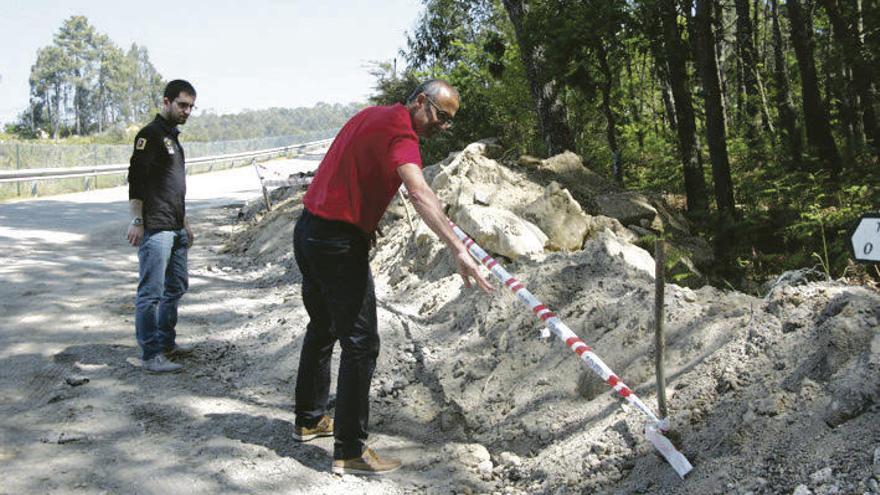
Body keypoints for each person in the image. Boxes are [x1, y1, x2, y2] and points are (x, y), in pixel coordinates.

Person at [291, 79, 494, 475]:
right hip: (337, 243)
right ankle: (349, 451)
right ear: (420, 101)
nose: (444, 126)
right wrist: (457, 247)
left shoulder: (372, 116)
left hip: (309, 231)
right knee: (361, 343)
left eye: (450, 121)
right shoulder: (402, 132)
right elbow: (419, 192)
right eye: (440, 115)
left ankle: (310, 419)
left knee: (323, 326)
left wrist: (364, 216)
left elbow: (348, 167)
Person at [126, 79, 197, 374]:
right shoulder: (149, 135)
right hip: (156, 228)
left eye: (191, 106)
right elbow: (137, 182)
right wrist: (137, 220)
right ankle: (150, 354)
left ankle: (166, 342)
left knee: (177, 286)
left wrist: (185, 223)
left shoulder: (173, 138)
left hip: (176, 226)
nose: (187, 111)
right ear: (166, 102)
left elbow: (173, 187)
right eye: (182, 105)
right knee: (151, 293)